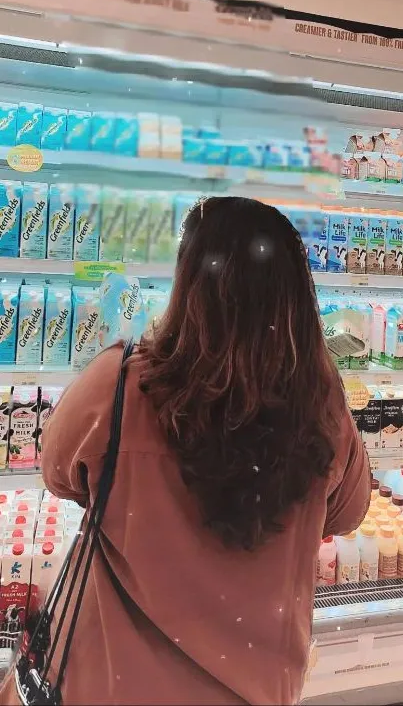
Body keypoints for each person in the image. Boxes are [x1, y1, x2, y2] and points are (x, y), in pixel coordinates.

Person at [7, 197, 371, 705]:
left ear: (188, 285)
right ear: (294, 295)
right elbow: (349, 513)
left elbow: (59, 474)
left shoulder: (118, 387)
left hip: (112, 683)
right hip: (255, 687)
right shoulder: (323, 409)